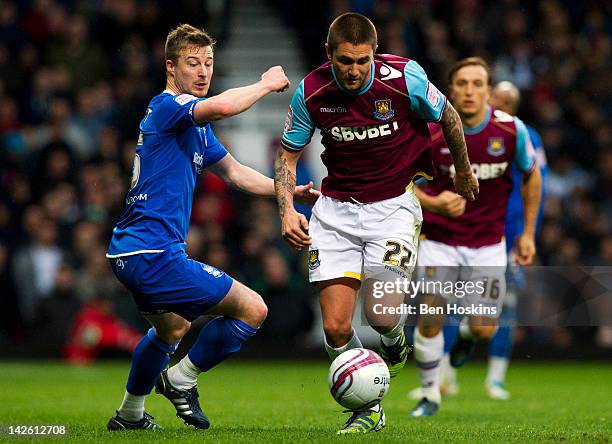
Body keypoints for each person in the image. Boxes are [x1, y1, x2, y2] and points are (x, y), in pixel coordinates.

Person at [105, 24, 317, 431]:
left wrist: (286, 191)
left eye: (208, 63)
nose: (203, 72)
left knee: (172, 328)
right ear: (171, 68)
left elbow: (235, 173)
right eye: (192, 64)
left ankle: (130, 415)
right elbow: (221, 107)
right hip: (153, 255)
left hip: (131, 252)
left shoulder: (195, 127)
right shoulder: (169, 107)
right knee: (254, 309)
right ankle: (180, 380)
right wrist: (265, 84)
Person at [274, 13, 478, 434]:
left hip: (393, 210)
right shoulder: (311, 91)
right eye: (345, 61)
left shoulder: (404, 78)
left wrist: (463, 169)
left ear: (374, 52)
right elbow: (287, 156)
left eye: (362, 61)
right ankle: (369, 407)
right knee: (334, 326)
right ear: (329, 54)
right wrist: (286, 210)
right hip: (334, 213)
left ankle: (392, 342)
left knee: (383, 315)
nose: (354, 70)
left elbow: (451, 118)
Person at [408, 58, 541, 417]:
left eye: (477, 83)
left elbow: (531, 175)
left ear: (488, 89)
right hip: (439, 242)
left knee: (483, 330)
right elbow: (402, 184)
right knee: (431, 317)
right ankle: (429, 394)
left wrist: (528, 233)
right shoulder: (431, 134)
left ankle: (468, 336)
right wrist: (434, 204)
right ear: (450, 91)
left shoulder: (512, 131)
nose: (469, 91)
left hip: (487, 246)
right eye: (462, 84)